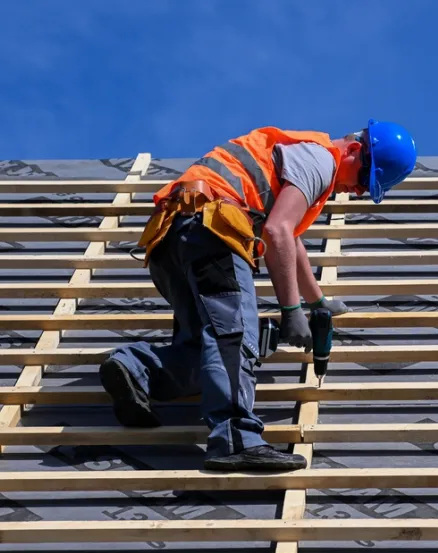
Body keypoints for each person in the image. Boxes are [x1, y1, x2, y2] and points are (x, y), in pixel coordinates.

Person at [98, 119, 417, 471]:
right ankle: (236, 439)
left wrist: (316, 302)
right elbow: (278, 231)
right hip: (213, 230)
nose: (356, 191)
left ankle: (135, 367)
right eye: (362, 180)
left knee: (203, 348)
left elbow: (290, 238)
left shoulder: (298, 160)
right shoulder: (320, 160)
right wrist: (291, 310)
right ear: (356, 150)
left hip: (170, 238)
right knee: (235, 337)